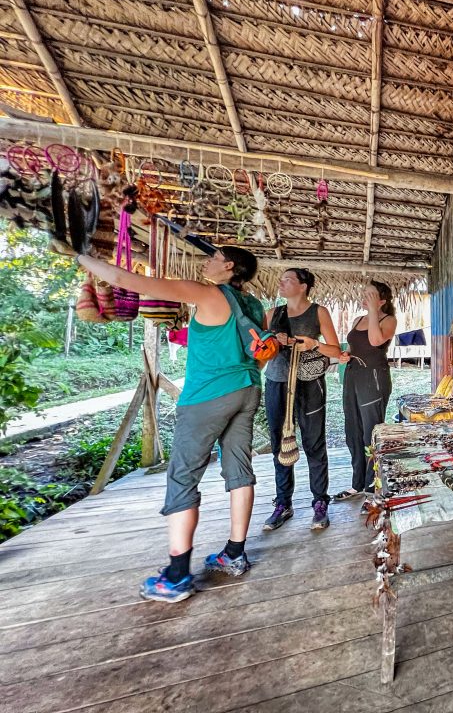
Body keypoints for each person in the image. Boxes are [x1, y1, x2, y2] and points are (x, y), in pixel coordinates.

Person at [76, 246, 265, 603]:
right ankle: (234, 553)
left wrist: (81, 257)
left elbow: (128, 280)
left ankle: (177, 577)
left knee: (182, 477)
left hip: (207, 396)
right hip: (247, 389)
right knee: (239, 470)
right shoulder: (254, 305)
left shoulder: (207, 294)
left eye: (214, 258)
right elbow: (260, 352)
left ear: (229, 266)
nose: (206, 262)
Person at [260, 268, 343, 532]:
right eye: (281, 279)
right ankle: (283, 503)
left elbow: (335, 350)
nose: (281, 283)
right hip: (277, 381)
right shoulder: (272, 314)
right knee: (279, 443)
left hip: (309, 383)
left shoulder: (318, 312)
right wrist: (272, 343)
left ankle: (320, 501)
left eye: (288, 280)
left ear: (303, 286)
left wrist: (312, 344)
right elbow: (259, 349)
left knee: (313, 442)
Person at [333, 281, 397, 500]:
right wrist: (345, 355)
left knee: (371, 431)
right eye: (364, 294)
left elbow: (375, 340)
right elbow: (353, 347)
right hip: (353, 376)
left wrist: (372, 312)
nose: (364, 297)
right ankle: (357, 483)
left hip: (374, 378)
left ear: (381, 300)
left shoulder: (388, 320)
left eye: (370, 295)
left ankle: (373, 485)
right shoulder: (358, 320)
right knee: (353, 429)